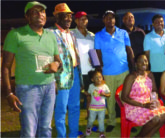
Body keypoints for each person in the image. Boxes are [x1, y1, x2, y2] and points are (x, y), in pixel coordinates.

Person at [2, 1, 61, 137]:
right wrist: (9, 93)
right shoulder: (16, 35)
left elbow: (58, 61)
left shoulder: (50, 36)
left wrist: (56, 65)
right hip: (28, 89)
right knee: (29, 131)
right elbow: (5, 67)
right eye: (35, 12)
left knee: (46, 128)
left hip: (49, 87)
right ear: (27, 17)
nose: (40, 14)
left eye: (43, 11)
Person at [94, 10, 134, 132]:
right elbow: (97, 53)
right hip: (107, 72)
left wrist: (134, 67)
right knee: (110, 99)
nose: (110, 20)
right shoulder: (98, 35)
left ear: (115, 20)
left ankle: (128, 121)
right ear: (103, 20)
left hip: (123, 71)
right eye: (107, 18)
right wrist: (99, 70)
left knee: (125, 98)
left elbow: (129, 50)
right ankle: (111, 121)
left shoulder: (123, 33)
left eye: (112, 18)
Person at [49, 3, 83, 137]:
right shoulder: (51, 33)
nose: (69, 19)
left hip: (74, 72)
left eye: (70, 16)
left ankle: (73, 134)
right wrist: (53, 80)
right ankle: (61, 136)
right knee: (61, 109)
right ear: (57, 17)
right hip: (61, 75)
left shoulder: (72, 33)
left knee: (75, 107)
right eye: (65, 16)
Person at [121, 53, 165, 137]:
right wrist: (143, 105)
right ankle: (138, 137)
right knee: (155, 118)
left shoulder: (150, 75)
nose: (144, 63)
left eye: (145, 61)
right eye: (140, 61)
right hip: (134, 107)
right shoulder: (131, 77)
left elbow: (154, 90)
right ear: (136, 64)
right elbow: (124, 97)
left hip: (148, 104)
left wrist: (155, 100)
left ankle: (147, 136)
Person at [71, 11, 95, 119]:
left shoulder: (92, 35)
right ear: (76, 21)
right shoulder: (71, 34)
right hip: (78, 70)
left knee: (91, 95)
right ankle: (74, 121)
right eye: (81, 19)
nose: (84, 21)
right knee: (77, 97)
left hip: (91, 71)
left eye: (85, 19)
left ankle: (90, 117)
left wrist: (95, 61)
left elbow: (94, 52)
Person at [144, 14, 165, 90]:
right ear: (153, 24)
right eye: (157, 22)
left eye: (161, 21)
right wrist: (147, 70)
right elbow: (147, 55)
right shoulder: (148, 37)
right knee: (157, 94)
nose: (160, 23)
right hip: (154, 71)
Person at [85, 70, 110, 137]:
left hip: (102, 108)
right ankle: (89, 127)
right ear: (92, 79)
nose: (99, 79)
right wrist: (83, 91)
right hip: (93, 108)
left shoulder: (104, 86)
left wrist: (104, 94)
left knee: (101, 120)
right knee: (91, 119)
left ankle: (101, 132)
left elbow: (109, 94)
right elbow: (89, 93)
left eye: (100, 77)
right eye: (96, 78)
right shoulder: (91, 86)